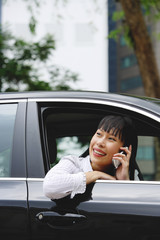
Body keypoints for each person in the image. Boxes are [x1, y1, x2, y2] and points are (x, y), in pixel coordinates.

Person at [43, 115, 142, 200]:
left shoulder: (132, 174)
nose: (100, 143)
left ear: (124, 150)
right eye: (99, 134)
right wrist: (96, 175)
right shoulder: (73, 163)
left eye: (111, 139)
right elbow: (50, 186)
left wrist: (124, 182)